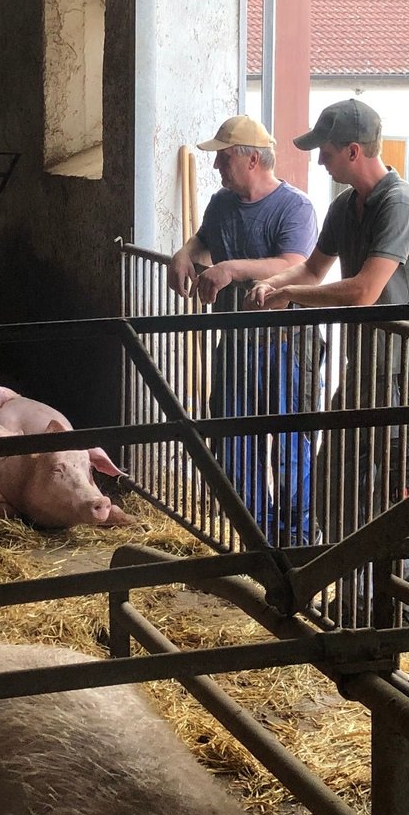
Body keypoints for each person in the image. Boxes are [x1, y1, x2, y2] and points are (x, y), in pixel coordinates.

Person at [249, 99, 409, 602]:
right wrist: (273, 284)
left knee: (403, 496)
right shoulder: (342, 207)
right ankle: (353, 596)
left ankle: (401, 610)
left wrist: (289, 294)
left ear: (354, 151)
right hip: (366, 368)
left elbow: (362, 291)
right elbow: (312, 270)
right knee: (335, 482)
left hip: (405, 375)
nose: (320, 163)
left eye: (326, 153)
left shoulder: (399, 204)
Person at [167, 115, 319, 546]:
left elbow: (294, 264)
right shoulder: (221, 204)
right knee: (234, 445)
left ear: (252, 159)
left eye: (223, 157)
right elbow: (203, 240)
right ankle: (254, 539)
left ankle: (298, 542)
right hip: (236, 342)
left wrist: (231, 268)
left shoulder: (295, 207)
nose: (216, 167)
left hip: (285, 344)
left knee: (290, 448)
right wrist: (184, 252)